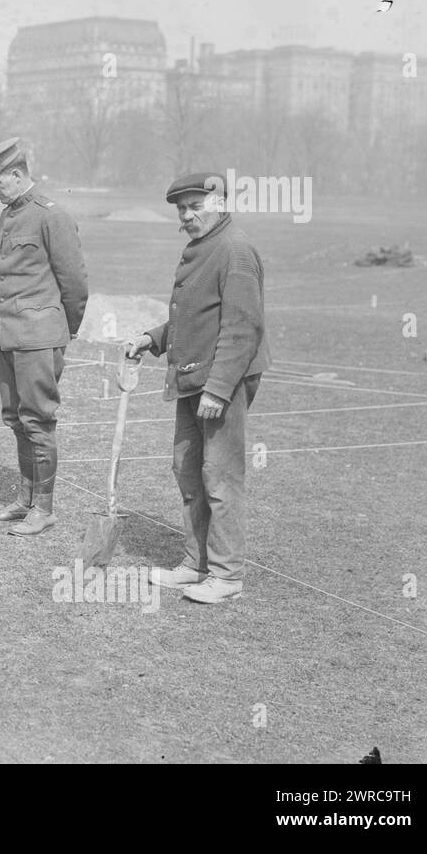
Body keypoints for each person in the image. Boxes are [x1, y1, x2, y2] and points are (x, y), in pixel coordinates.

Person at [125, 172, 270, 603]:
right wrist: (152, 338)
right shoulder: (203, 247)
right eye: (181, 209)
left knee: (220, 476)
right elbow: (194, 316)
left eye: (196, 206)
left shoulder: (236, 251)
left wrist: (219, 388)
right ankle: (196, 564)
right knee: (187, 469)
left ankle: (226, 576)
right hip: (193, 376)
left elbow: (243, 328)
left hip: (221, 379)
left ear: (220, 203)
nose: (187, 216)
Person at [0, 138, 88, 535]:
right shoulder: (9, 215)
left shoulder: (51, 216)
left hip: (38, 336)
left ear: (17, 175)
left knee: (38, 421)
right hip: (8, 335)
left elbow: (74, 284)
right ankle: (25, 500)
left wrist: (59, 331)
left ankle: (45, 509)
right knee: (17, 420)